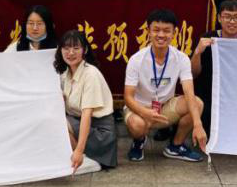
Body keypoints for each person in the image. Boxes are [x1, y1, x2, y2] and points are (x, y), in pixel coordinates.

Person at [123, 9, 207, 162]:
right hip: (139, 109)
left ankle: (176, 146)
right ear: (148, 31)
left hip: (164, 108)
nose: (161, 35)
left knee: (197, 103)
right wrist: (144, 112)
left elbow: (189, 92)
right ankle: (138, 142)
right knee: (136, 125)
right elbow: (128, 97)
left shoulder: (181, 58)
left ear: (174, 33)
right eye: (156, 30)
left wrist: (198, 124)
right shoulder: (136, 60)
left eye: (167, 31)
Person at [55, 29, 116, 173]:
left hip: (100, 132)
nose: (70, 53)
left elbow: (87, 115)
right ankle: (80, 157)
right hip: (79, 123)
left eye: (76, 48)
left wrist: (79, 150)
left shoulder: (91, 74)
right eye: (66, 48)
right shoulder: (66, 73)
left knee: (59, 121)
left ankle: (83, 157)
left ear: (85, 50)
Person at [191, 0, 237, 132]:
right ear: (219, 18)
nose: (232, 21)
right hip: (209, 94)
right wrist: (197, 52)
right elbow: (193, 73)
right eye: (227, 16)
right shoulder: (207, 38)